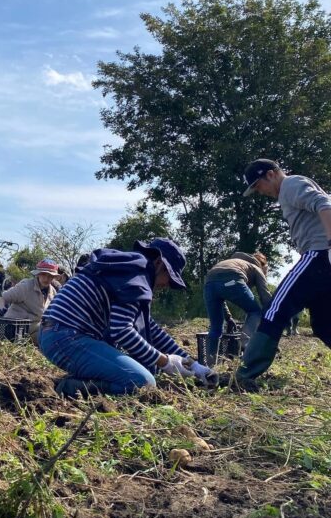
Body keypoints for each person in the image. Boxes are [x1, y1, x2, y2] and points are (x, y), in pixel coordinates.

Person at [39, 239, 215, 397]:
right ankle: (70, 387)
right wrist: (165, 362)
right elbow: (121, 330)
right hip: (65, 338)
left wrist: (193, 364)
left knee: (142, 370)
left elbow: (151, 330)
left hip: (58, 335)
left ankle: (87, 378)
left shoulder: (130, 270)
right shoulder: (137, 275)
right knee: (142, 382)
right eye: (169, 278)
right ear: (159, 263)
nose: (166, 285)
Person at [237, 159, 331, 384]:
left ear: (270, 175)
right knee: (323, 323)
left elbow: (325, 204)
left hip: (318, 255)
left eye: (258, 186)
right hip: (323, 260)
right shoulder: (291, 190)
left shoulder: (290, 185)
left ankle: (245, 374)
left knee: (275, 310)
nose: (260, 192)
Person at [203, 251, 272, 364]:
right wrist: (272, 315)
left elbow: (220, 296)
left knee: (215, 328)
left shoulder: (233, 262)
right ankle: (244, 342)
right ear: (262, 264)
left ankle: (210, 365)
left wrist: (228, 317)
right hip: (232, 278)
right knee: (255, 311)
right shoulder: (256, 267)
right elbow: (265, 295)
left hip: (209, 283)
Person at [0, 259, 59, 344]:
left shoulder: (53, 292)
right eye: (44, 274)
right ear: (38, 274)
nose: (46, 279)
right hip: (14, 329)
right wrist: (1, 307)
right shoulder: (26, 287)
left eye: (50, 276)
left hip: (34, 329)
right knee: (46, 336)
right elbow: (3, 297)